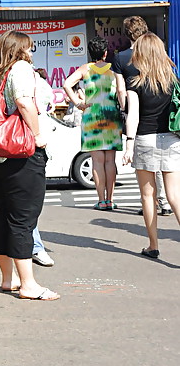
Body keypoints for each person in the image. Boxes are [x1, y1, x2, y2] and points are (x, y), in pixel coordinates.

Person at [0, 31, 60, 301]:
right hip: (21, 154)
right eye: (29, 48)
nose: (31, 53)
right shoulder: (20, 68)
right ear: (20, 49)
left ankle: (8, 278)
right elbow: (23, 101)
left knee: (4, 215)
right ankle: (28, 284)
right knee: (23, 219)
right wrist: (37, 134)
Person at [122, 33, 180, 258]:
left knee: (148, 196)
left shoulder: (135, 81)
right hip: (172, 139)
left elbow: (133, 116)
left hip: (145, 140)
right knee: (174, 195)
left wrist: (129, 145)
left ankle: (153, 245)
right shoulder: (172, 80)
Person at [112, 16, 171, 217]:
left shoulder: (121, 58)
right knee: (165, 168)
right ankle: (164, 202)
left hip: (140, 119)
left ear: (126, 33)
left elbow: (121, 89)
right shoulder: (158, 55)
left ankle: (151, 208)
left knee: (146, 176)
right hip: (164, 124)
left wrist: (125, 109)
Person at [63, 37, 122, 210]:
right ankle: (110, 199)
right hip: (111, 116)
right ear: (105, 52)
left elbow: (67, 84)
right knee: (110, 161)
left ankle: (101, 200)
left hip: (92, 118)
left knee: (97, 161)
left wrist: (78, 103)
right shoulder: (113, 69)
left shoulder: (85, 69)